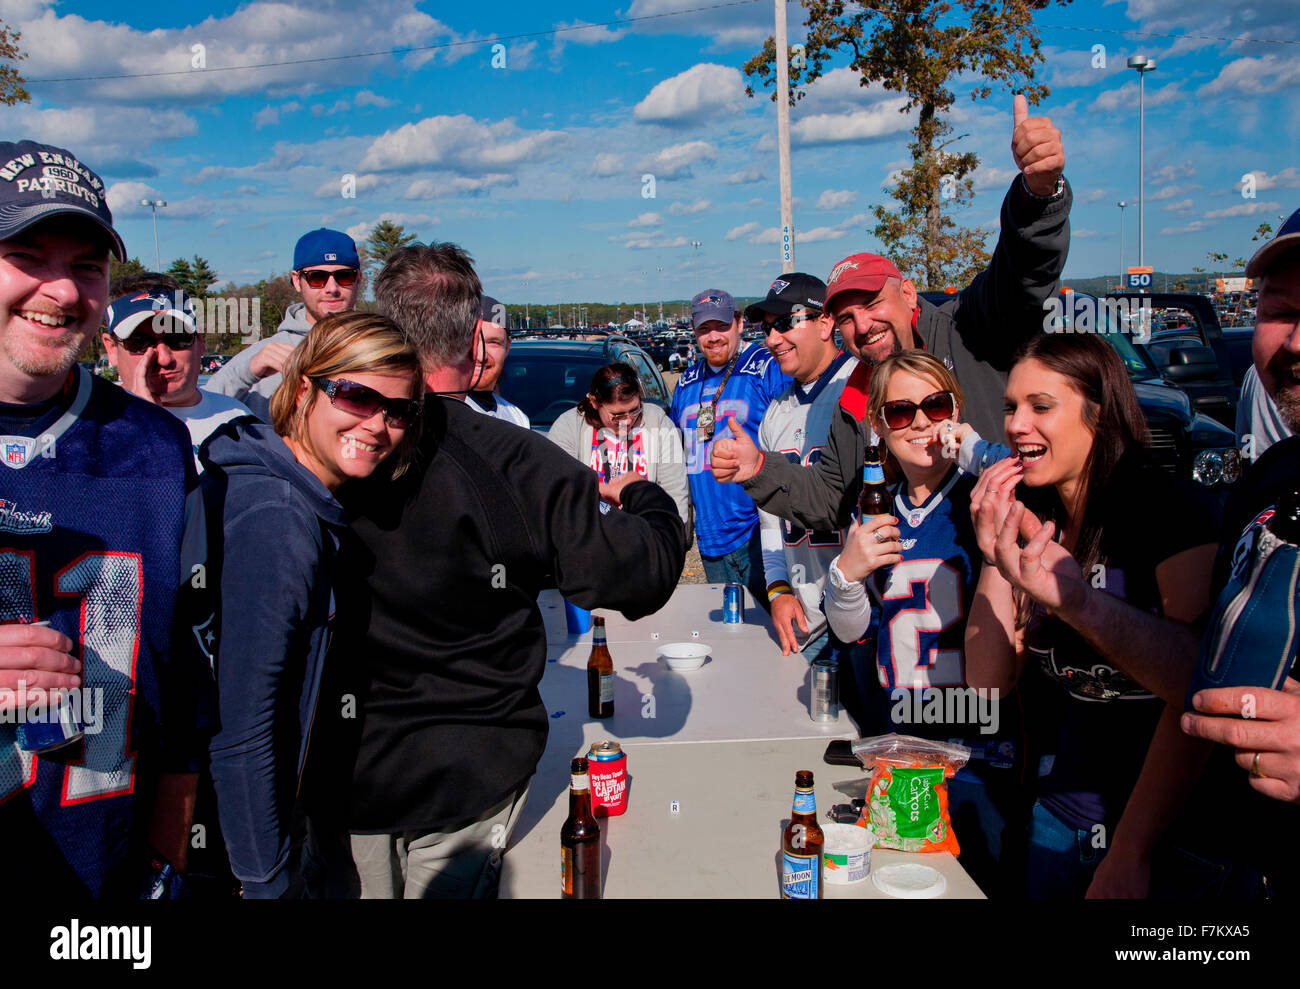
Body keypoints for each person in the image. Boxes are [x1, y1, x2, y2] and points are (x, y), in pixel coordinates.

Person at [305, 243, 685, 899]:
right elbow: (641, 574)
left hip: (345, 770)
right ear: (474, 340)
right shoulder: (517, 462)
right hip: (467, 772)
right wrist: (645, 499)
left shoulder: (321, 450)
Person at [0, 139, 208, 897]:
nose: (60, 291)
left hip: (108, 867)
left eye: (86, 265)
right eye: (27, 254)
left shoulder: (153, 444)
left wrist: (169, 846)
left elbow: (184, 675)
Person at [710, 95, 1070, 532]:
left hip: (1022, 559)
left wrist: (1038, 194)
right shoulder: (856, 398)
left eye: (873, 303)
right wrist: (758, 469)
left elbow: (1023, 274)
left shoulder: (970, 326)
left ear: (909, 293)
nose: (862, 326)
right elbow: (832, 497)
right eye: (845, 317)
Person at [964, 333, 1222, 899]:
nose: (1016, 425)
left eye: (1041, 406)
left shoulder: (1171, 511)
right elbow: (986, 682)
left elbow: (1199, 687)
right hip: (1061, 815)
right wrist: (996, 556)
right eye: (1010, 407)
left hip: (1165, 838)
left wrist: (1132, 849)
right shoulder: (1040, 517)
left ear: (1098, 415)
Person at [200, 312, 421, 899]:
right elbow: (243, 726)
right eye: (355, 395)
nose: (377, 425)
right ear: (304, 389)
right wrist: (263, 878)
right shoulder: (279, 519)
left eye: (398, 411)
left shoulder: (295, 493)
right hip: (251, 858)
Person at [822, 351, 1023, 898]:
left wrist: (974, 446)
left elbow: (1034, 472)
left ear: (956, 410)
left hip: (982, 750)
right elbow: (850, 632)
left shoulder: (985, 493)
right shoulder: (871, 508)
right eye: (900, 412)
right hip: (903, 749)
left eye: (935, 406)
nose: (921, 424)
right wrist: (845, 574)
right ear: (878, 427)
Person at [1177, 209, 1300, 899]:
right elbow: (1201, 680)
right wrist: (1069, 596)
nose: (1296, 341)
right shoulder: (1271, 477)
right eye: (1281, 310)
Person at [744, 273, 855, 655]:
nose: (772, 339)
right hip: (805, 617)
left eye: (785, 323)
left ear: (826, 322)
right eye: (767, 329)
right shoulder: (775, 413)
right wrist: (777, 589)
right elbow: (770, 519)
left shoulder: (860, 387)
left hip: (864, 608)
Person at [670, 287, 791, 611]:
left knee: (775, 637)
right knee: (733, 637)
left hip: (759, 532)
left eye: (721, 326)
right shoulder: (686, 381)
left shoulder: (765, 366)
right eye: (704, 329)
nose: (713, 337)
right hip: (710, 537)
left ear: (738, 323)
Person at [208, 228, 361, 421]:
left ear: (359, 279)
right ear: (297, 281)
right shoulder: (265, 354)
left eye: (344, 276)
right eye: (317, 278)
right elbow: (202, 409)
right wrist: (249, 371)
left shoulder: (380, 345)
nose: (332, 288)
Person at [100, 273, 251, 467]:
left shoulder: (238, 419)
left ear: (199, 341)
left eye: (177, 338)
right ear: (111, 349)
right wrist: (144, 423)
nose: (163, 358)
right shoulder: (89, 428)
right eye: (140, 343)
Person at [547, 362, 689, 524]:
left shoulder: (658, 422)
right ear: (594, 402)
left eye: (635, 409)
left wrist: (670, 536)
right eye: (617, 415)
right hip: (590, 535)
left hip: (645, 534)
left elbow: (675, 490)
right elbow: (562, 492)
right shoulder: (569, 426)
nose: (628, 420)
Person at [464, 295, 529, 428]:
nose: (481, 356)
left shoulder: (517, 418)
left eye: (493, 342)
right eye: (471, 341)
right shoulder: (438, 413)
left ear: (507, 347)